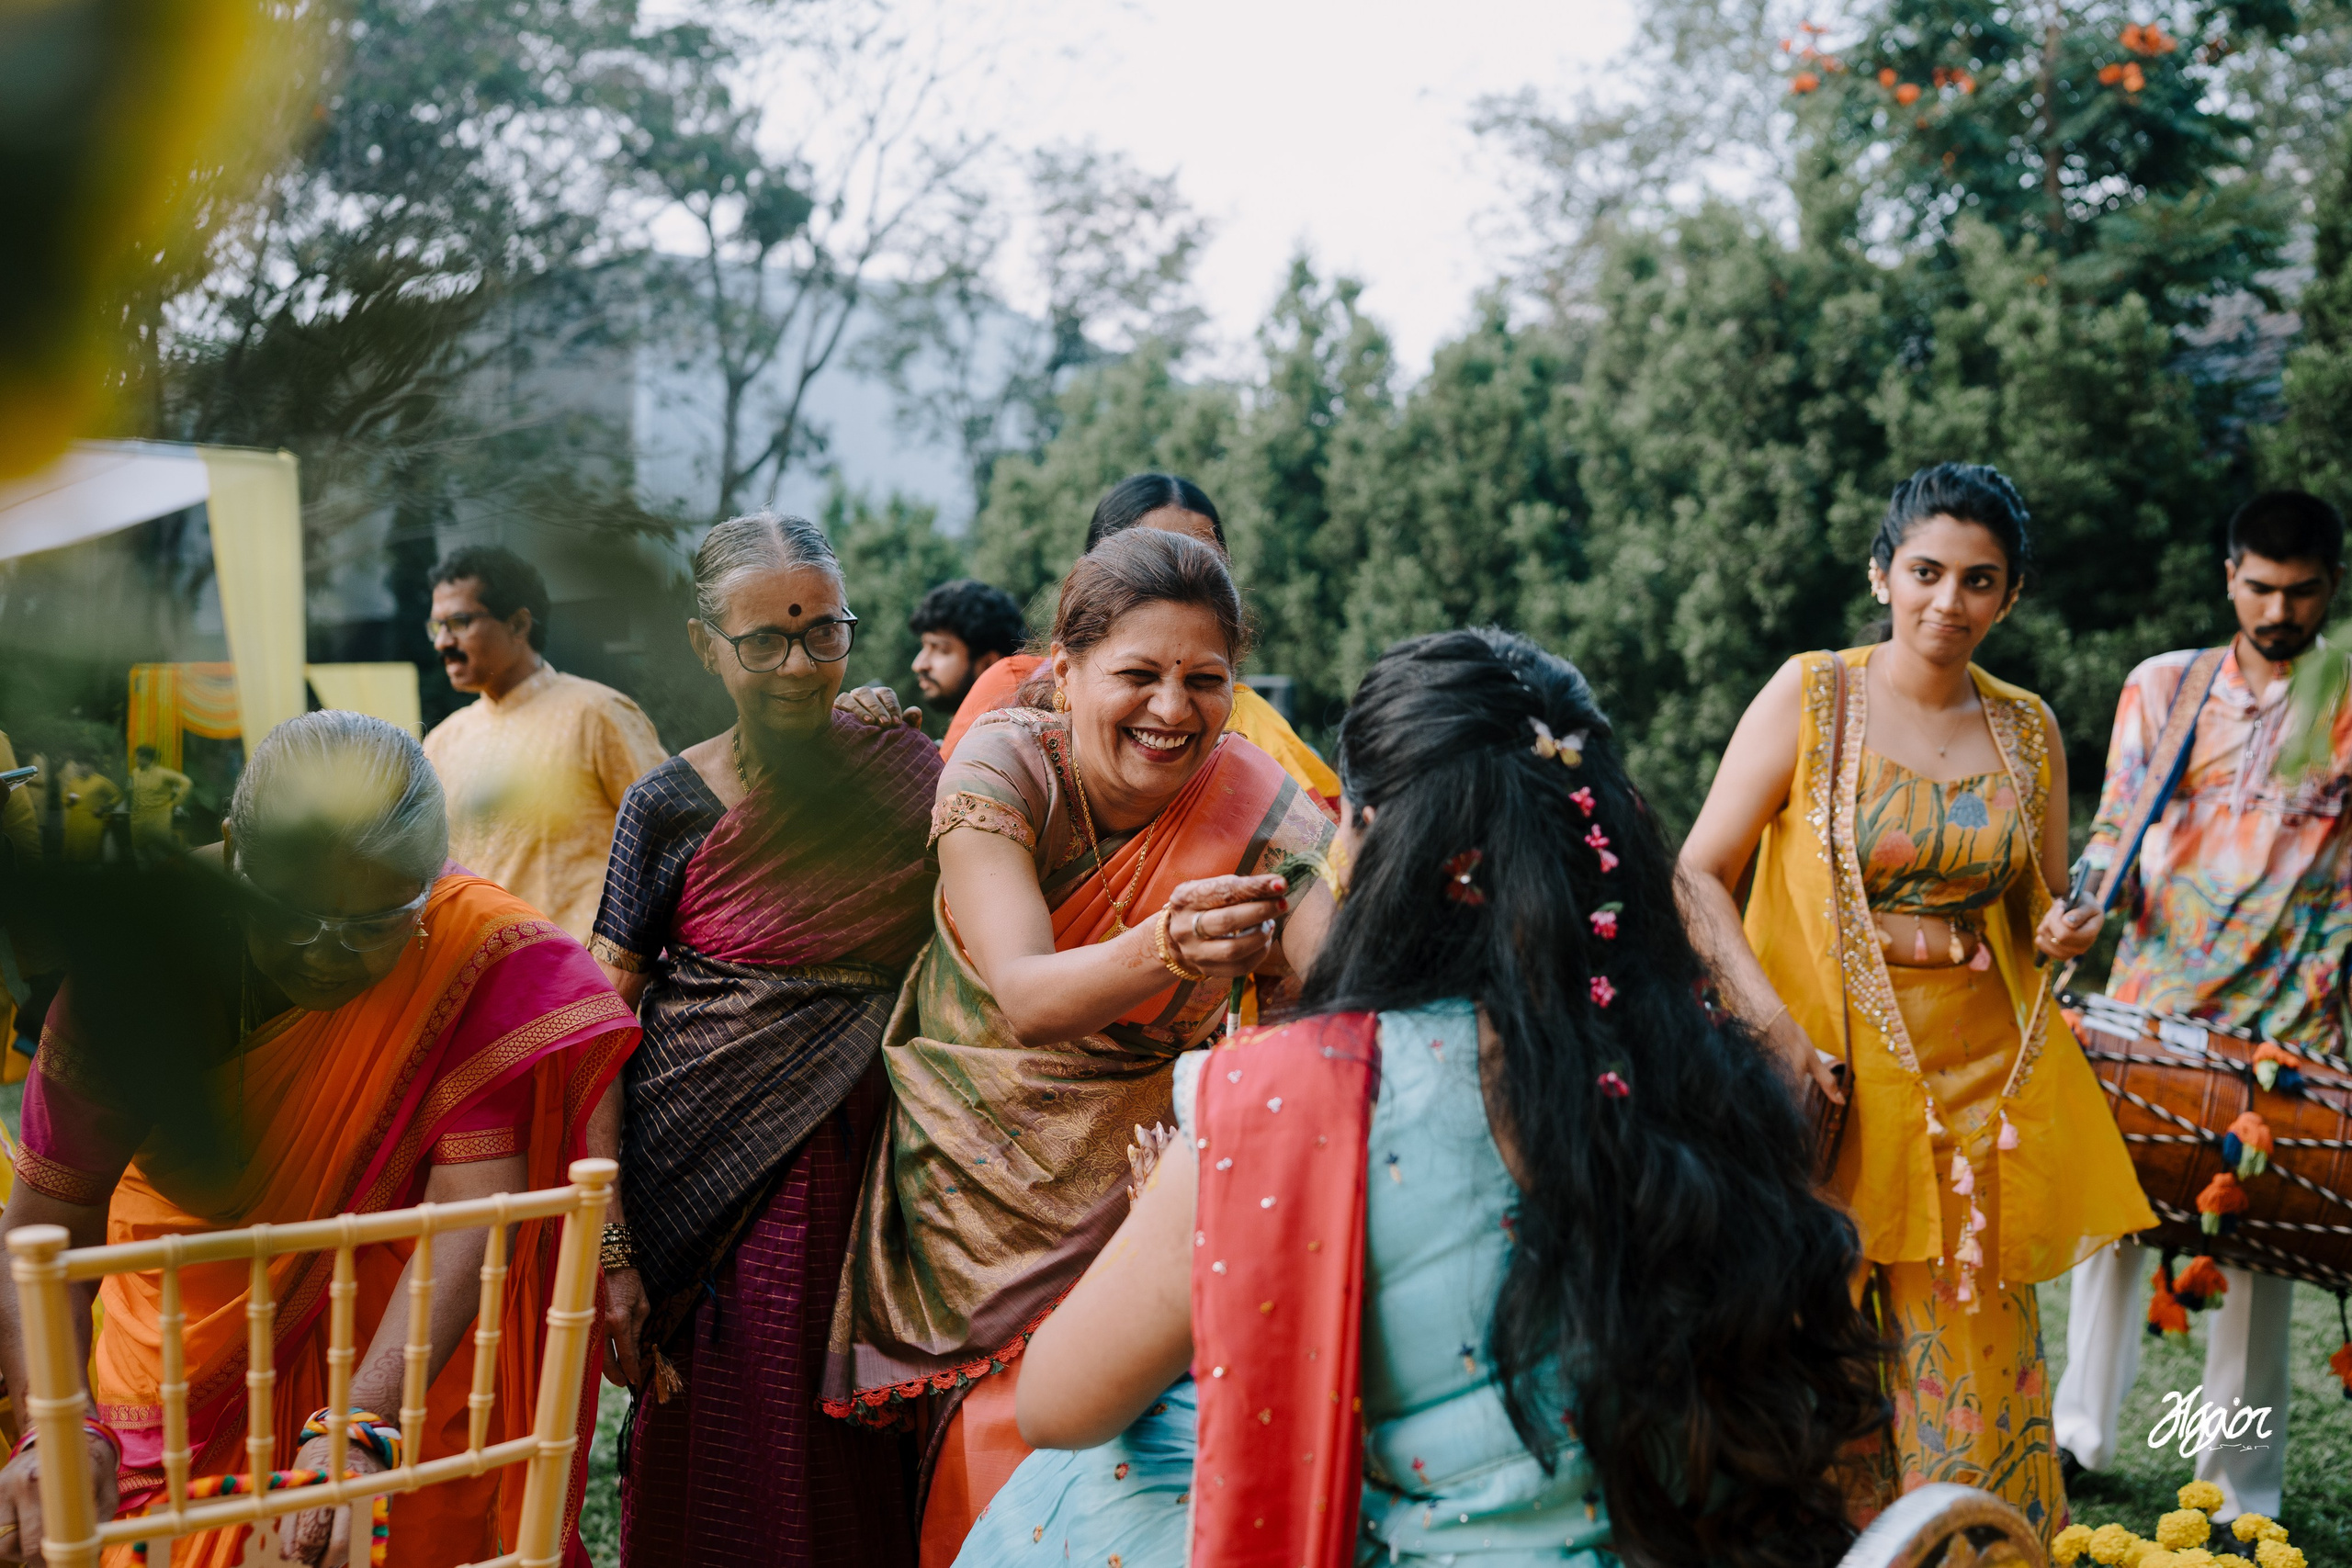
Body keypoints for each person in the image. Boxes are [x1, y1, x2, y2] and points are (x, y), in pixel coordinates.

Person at [957, 628, 1887, 1568]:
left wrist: (1192, 1217)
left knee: (1095, 1480)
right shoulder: (1711, 1069)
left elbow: (1057, 1404)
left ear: (1367, 843)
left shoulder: (1294, 1100)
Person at [0, 711, 640, 1567]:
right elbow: (43, 1225)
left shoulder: (464, 950)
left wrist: (360, 1422)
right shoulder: (139, 971)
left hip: (389, 1340)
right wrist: (59, 1421)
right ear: (233, 855)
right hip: (172, 1348)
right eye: (289, 913)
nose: (326, 953)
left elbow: (469, 1212)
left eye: (374, 924)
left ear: (426, 889)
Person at [824, 527, 1339, 1566]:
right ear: (1063, 672)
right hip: (977, 1179)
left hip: (1146, 1197)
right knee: (979, 1460)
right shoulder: (1004, 763)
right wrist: (1169, 944)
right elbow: (1023, 995)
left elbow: (1349, 990)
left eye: (1206, 680)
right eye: (1137, 675)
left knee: (1123, 1471)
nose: (1171, 709)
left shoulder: (1253, 802)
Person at [1677, 462, 2153, 1538]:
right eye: (1926, 572)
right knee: (1821, 1338)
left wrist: (2066, 926)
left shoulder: (2027, 729)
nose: (1948, 602)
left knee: (1967, 1354)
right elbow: (1696, 872)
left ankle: (1973, 1548)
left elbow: (2036, 900)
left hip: (1978, 1085)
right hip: (1834, 1069)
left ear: (2012, 595)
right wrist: (1778, 1037)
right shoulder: (1814, 693)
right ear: (1881, 572)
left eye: (1979, 581)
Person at [590, 514, 939, 1566]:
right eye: (764, 643)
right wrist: (611, 1247)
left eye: (824, 634)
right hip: (701, 1187)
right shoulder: (667, 805)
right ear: (707, 648)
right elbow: (602, 1028)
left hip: (877, 1178)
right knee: (722, 1450)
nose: (799, 666)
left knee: (856, 1451)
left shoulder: (906, 776)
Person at [2052, 489, 2352, 1520]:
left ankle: (2238, 1488)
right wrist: (2085, 904)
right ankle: (2075, 1438)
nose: (2279, 611)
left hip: (2286, 1032)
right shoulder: (2162, 688)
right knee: (2107, 1236)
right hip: (2155, 1003)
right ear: (2228, 577)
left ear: (2331, 588)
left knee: (2259, 1266)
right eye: (2260, 588)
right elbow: (2112, 828)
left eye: (2301, 592)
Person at [937, 473, 1340, 813]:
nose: (1172, 710)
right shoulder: (1010, 692)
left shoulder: (1247, 722)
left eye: (1204, 558)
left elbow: (1327, 855)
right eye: (1145, 553)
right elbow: (941, 815)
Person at [422, 545, 669, 942]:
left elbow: (668, 844)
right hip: (479, 977)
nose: (442, 642)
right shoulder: (442, 741)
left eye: (459, 622)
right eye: (437, 627)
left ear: (519, 625)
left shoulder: (597, 713)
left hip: (585, 979)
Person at [910, 579, 1026, 715]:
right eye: (924, 646)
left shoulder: (1014, 733)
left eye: (941, 650)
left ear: (988, 664)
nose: (918, 665)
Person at [126, 743, 191, 862]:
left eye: (138, 757)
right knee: (139, 853)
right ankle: (145, 879)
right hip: (138, 820)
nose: (136, 760)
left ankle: (161, 878)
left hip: (157, 820)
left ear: (147, 758)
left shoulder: (163, 774)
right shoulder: (135, 772)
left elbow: (186, 783)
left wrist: (175, 803)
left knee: (158, 854)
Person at [57, 753, 119, 863]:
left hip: (92, 820)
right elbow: (65, 798)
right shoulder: (74, 781)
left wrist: (104, 808)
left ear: (91, 766)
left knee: (90, 854)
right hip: (75, 821)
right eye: (78, 765)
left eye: (83, 765)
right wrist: (70, 800)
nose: (80, 768)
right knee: (74, 855)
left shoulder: (100, 781)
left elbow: (118, 795)